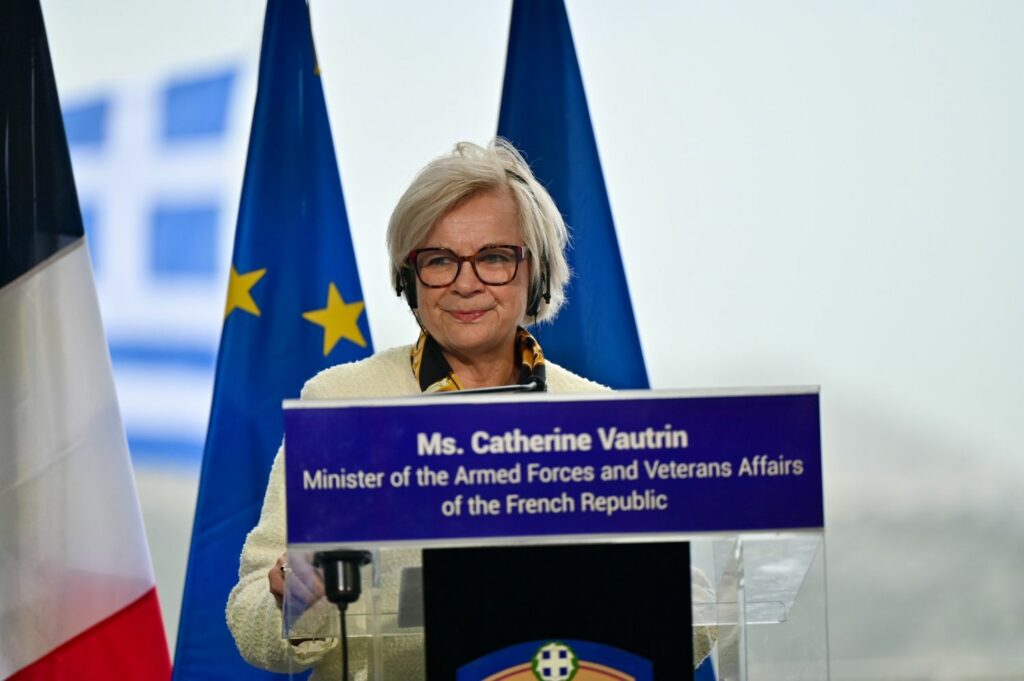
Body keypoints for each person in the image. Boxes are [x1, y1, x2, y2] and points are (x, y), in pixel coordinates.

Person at [226, 139, 715, 679]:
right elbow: (251, 616)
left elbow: (695, 609)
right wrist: (296, 598)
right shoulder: (340, 405)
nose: (465, 283)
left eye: (494, 258)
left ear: (537, 274)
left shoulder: (600, 418)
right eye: (439, 260)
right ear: (408, 278)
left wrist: (618, 596)